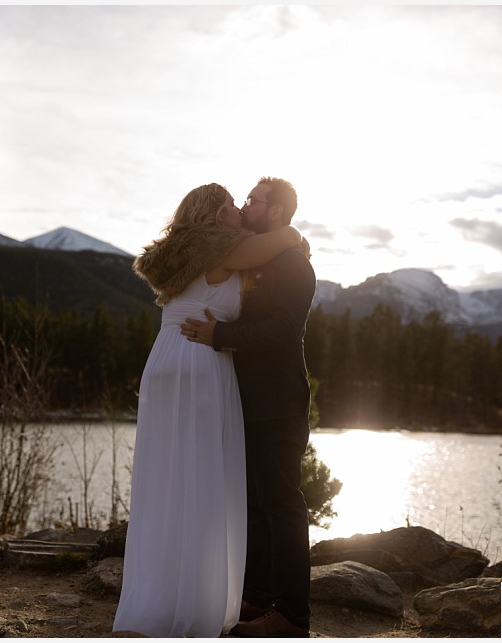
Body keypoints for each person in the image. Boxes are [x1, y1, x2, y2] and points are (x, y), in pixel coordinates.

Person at [112, 182, 305, 638]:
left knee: (166, 481)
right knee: (203, 482)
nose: (240, 207)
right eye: (233, 204)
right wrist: (294, 235)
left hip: (164, 361)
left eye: (250, 201)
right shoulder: (224, 247)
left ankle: (161, 591)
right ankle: (197, 598)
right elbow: (282, 240)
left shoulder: (178, 251)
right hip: (200, 360)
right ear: (216, 217)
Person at [181, 177, 316, 638]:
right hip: (246, 399)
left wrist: (220, 337)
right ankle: (257, 596)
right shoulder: (257, 258)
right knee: (255, 504)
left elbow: (282, 330)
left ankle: (293, 616)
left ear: (275, 213)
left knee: (283, 506)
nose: (244, 205)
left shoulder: (295, 264)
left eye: (253, 201)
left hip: (278, 402)